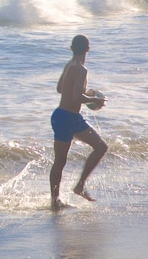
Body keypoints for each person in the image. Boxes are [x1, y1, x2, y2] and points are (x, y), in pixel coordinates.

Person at [49, 34, 108, 210]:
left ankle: (79, 186)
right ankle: (55, 201)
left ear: (71, 48)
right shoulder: (81, 70)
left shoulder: (70, 65)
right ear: (88, 49)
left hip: (71, 117)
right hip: (65, 118)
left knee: (100, 146)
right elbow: (75, 97)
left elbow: (60, 89)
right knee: (60, 160)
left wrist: (84, 94)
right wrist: (94, 101)